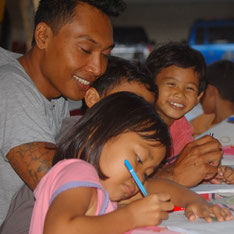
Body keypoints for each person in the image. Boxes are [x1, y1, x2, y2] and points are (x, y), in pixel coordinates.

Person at [29, 92, 233, 234]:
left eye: (146, 172)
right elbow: (59, 230)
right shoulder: (78, 172)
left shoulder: (104, 189)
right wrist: (131, 217)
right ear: (97, 132)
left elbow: (155, 187)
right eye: (138, 159)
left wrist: (195, 202)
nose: (138, 177)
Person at [0, 0, 126, 224]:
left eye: (105, 54)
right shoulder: (11, 87)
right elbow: (65, 186)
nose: (98, 68)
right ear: (43, 36)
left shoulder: (57, 95)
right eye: (85, 50)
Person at [146, 41, 223, 187]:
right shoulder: (137, 125)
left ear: (198, 97)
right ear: (150, 84)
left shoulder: (180, 125)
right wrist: (173, 173)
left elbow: (185, 163)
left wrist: (208, 171)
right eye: (171, 84)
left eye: (189, 88)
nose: (180, 94)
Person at [190, 60, 234, 137]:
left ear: (210, 92)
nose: (199, 97)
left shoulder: (200, 123)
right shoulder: (200, 122)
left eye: (201, 90)